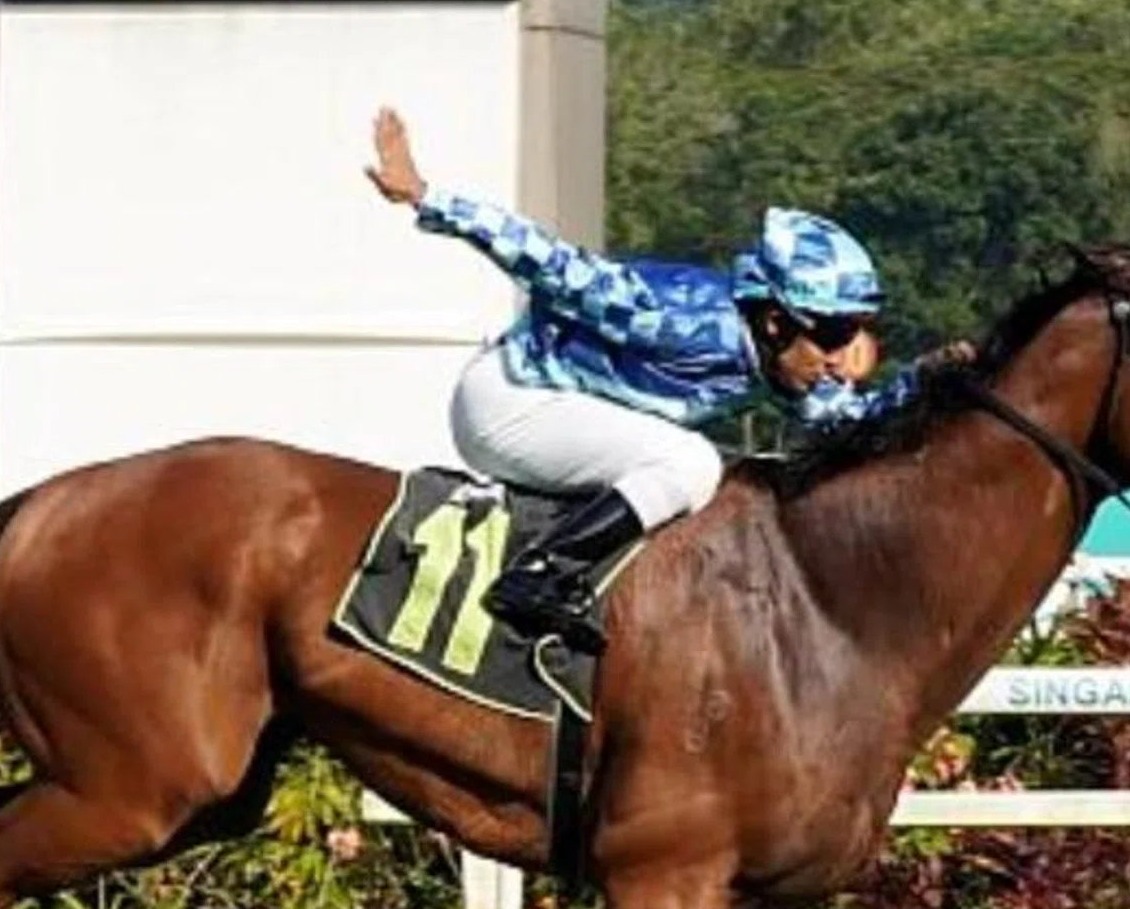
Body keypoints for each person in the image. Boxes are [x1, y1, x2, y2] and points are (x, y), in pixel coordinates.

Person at [366, 106, 973, 653]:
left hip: (558, 408)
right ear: (772, 319)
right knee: (691, 465)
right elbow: (550, 262)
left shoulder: (773, 354)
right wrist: (426, 197)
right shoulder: (674, 315)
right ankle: (537, 576)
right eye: (834, 335)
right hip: (508, 404)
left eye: (853, 333)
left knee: (706, 464)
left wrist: (929, 381)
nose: (844, 357)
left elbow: (846, 419)